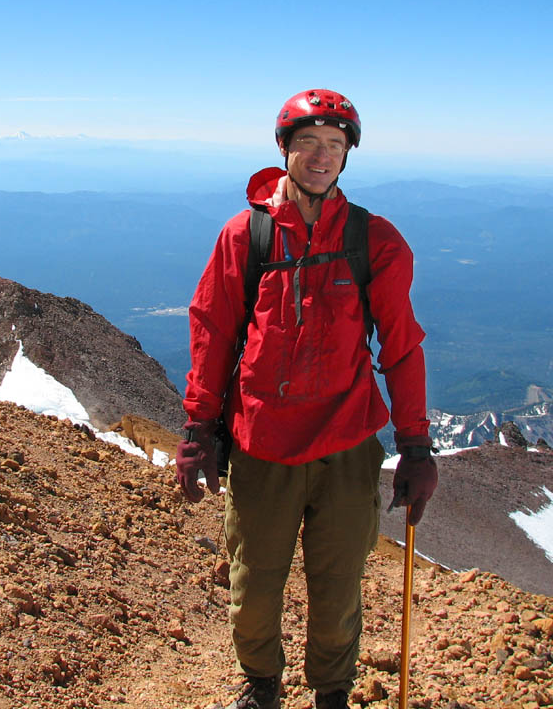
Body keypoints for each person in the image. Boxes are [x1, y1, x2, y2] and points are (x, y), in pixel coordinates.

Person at [177, 89, 438, 709]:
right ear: (284, 150)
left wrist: (416, 444)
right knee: (256, 582)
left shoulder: (375, 241)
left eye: (334, 144)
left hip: (347, 445)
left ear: (347, 155)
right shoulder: (247, 235)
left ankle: (331, 695)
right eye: (307, 143)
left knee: (338, 584)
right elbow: (212, 331)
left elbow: (400, 348)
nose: (321, 156)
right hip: (262, 443)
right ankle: (263, 686)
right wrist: (197, 431)